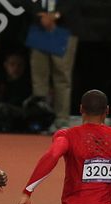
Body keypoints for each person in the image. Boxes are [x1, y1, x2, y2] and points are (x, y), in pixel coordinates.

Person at [28, 0, 82, 129]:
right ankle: (40, 118)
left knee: (62, 77)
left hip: (64, 28)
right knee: (39, 76)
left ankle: (61, 119)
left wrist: (55, 15)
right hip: (39, 27)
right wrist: (40, 15)